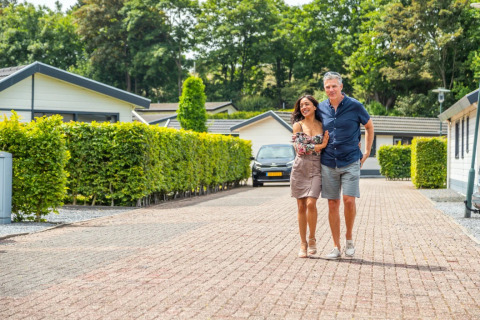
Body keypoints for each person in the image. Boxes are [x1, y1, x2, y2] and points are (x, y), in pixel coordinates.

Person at [315, 71, 374, 260]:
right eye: (327, 87)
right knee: (333, 203)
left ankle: (349, 239)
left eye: (334, 86)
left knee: (349, 200)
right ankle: (336, 246)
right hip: (328, 161)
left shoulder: (355, 106)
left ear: (341, 86)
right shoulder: (320, 108)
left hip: (350, 160)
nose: (331, 89)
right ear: (324, 89)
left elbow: (369, 126)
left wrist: (367, 152)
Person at [290, 95, 329, 258]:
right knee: (301, 206)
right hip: (300, 167)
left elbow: (308, 147)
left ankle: (312, 239)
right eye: (301, 106)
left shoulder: (322, 124)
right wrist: (322, 145)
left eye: (307, 104)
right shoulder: (297, 126)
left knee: (311, 203)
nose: (303, 107)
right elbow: (300, 149)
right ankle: (303, 243)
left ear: (314, 106)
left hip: (316, 168)